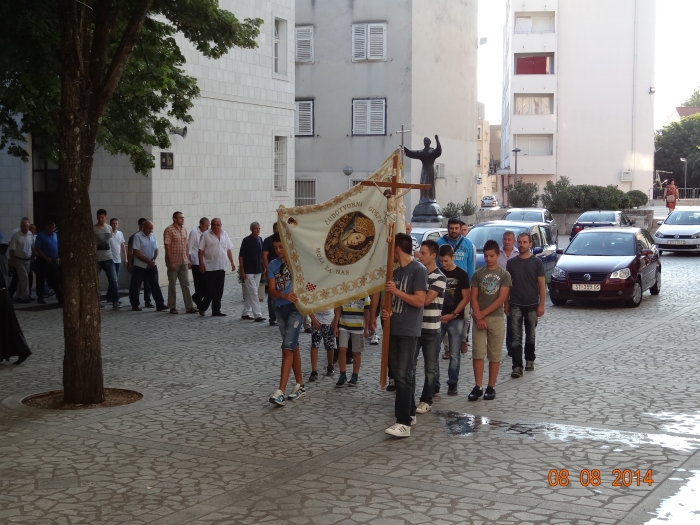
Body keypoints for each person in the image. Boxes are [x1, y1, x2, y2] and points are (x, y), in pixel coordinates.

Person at [382, 233, 428, 438]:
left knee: (403, 375)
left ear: (397, 249)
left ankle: (403, 422)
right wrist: (388, 313)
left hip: (409, 331)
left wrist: (396, 292)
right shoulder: (396, 272)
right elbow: (395, 302)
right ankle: (409, 412)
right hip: (395, 328)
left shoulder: (419, 270)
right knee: (399, 374)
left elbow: (419, 301)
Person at [468, 240, 511, 402]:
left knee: (494, 354)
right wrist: (478, 315)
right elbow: (473, 296)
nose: (488, 259)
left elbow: (501, 298)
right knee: (478, 352)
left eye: (491, 256)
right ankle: (478, 386)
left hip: (496, 318)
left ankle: (491, 386)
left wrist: (482, 314)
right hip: (479, 317)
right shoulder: (477, 274)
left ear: (498, 255)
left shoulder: (504, 275)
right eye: (486, 256)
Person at [267, 233, 306, 406]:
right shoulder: (273, 265)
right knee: (292, 346)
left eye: (281, 247)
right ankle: (300, 385)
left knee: (286, 348)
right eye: (275, 248)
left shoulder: (295, 262)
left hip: (296, 309)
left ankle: (280, 391)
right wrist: (284, 295)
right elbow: (271, 290)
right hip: (280, 308)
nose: (278, 250)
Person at [506, 232, 545, 378]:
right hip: (515, 303)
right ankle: (517, 366)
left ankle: (529, 359)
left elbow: (541, 285)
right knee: (515, 338)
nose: (521, 245)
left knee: (530, 336)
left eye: (524, 242)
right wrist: (505, 303)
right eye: (520, 242)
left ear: (530, 244)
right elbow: (507, 285)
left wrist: (541, 305)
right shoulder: (511, 263)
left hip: (532, 304)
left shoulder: (537, 262)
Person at [414, 239, 446, 414]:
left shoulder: (440, 277)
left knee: (430, 367)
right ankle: (408, 398)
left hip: (431, 329)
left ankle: (426, 400)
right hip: (415, 327)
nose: (420, 255)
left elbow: (425, 300)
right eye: (420, 252)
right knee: (410, 365)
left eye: (423, 253)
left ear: (433, 255)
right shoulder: (418, 273)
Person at [438, 217, 476, 357]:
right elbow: (436, 264)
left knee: (465, 316)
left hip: (463, 284)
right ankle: (448, 347)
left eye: (456, 228)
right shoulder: (439, 243)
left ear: (461, 228)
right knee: (444, 316)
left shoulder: (468, 244)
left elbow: (471, 265)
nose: (454, 231)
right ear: (447, 228)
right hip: (444, 284)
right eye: (451, 228)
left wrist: (471, 284)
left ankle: (463, 340)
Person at [436, 244, 470, 396]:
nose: (443, 264)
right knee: (434, 351)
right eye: (441, 261)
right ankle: (434, 383)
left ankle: (453, 383)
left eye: (446, 261)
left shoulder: (461, 274)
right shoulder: (437, 273)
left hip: (456, 318)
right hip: (438, 317)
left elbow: (466, 297)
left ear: (453, 257)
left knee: (455, 354)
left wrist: (454, 314)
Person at [198, 218, 235, 317]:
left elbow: (228, 249)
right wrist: (201, 264)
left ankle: (216, 310)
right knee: (210, 290)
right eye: (214, 225)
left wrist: (232, 262)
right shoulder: (205, 235)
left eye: (218, 225)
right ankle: (203, 307)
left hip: (221, 266)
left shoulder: (224, 234)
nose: (216, 227)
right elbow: (200, 250)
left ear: (221, 225)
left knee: (219, 289)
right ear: (211, 225)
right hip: (210, 266)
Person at [129, 221, 167, 312]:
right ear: (144, 227)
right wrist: (147, 261)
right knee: (136, 285)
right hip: (140, 265)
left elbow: (156, 249)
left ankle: (160, 304)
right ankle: (135, 304)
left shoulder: (153, 236)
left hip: (151, 264)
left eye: (152, 228)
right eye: (149, 228)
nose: (151, 230)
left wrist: (153, 260)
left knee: (154, 284)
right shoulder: (137, 236)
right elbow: (136, 252)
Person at [333, 295, 370, 387]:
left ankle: (355, 375)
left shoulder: (364, 295)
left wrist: (366, 328)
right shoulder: (343, 292)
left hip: (358, 327)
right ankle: (342, 374)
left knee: (356, 352)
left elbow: (366, 311)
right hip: (344, 325)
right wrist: (336, 325)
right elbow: (338, 309)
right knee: (342, 349)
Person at [164, 211, 197, 314]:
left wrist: (188, 259)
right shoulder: (169, 230)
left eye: (183, 217)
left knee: (186, 284)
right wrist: (171, 262)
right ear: (174, 219)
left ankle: (189, 307)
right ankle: (172, 306)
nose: (182, 219)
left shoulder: (184, 229)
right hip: (174, 261)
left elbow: (186, 245)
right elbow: (167, 247)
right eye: (180, 217)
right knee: (172, 285)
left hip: (183, 261)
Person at [94, 209, 121, 309]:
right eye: (99, 217)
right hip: (98, 258)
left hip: (108, 257)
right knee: (95, 280)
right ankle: (96, 301)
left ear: (105, 217)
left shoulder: (109, 228)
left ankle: (115, 301)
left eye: (102, 217)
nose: (100, 219)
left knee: (113, 279)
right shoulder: (94, 229)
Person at [498, 230, 519, 354]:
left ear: (514, 241)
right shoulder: (497, 253)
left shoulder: (518, 254)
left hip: (513, 289)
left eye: (509, 240)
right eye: (505, 239)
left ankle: (511, 346)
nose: (507, 242)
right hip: (498, 289)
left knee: (511, 317)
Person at [239, 221, 265, 322]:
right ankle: (258, 314)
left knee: (252, 292)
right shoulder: (246, 240)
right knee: (254, 292)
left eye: (259, 228)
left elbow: (262, 255)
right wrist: (242, 270)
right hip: (248, 270)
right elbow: (241, 256)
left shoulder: (260, 239)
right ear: (251, 229)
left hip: (258, 269)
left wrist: (264, 268)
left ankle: (245, 312)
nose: (257, 230)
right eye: (256, 228)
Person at [33, 221, 63, 305]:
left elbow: (55, 247)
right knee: (41, 279)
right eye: (50, 228)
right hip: (42, 261)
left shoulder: (55, 235)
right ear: (46, 227)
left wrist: (57, 257)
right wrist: (45, 257)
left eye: (53, 228)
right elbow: (37, 248)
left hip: (52, 260)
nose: (52, 230)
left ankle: (60, 297)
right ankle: (40, 297)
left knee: (56, 279)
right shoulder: (41, 235)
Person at [128, 218, 153, 307]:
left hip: (148, 264)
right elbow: (130, 250)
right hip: (138, 263)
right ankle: (134, 301)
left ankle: (148, 300)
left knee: (147, 283)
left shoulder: (151, 236)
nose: (144, 227)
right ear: (139, 225)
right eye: (142, 225)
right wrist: (129, 262)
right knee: (136, 283)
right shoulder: (134, 237)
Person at [9, 219, 34, 303]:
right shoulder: (16, 235)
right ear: (21, 226)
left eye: (27, 227)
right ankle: (25, 297)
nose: (26, 228)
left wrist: (33, 254)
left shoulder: (30, 234)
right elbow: (12, 249)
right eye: (24, 227)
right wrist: (12, 260)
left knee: (21, 279)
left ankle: (17, 296)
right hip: (18, 260)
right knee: (24, 277)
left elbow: (32, 246)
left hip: (28, 260)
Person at [308, 308, 336, 381]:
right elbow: (308, 305)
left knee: (330, 346)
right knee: (314, 345)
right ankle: (314, 371)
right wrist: (313, 318)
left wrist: (335, 319)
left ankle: (330, 365)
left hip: (329, 321)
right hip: (316, 321)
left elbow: (337, 306)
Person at [188, 217, 210, 310]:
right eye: (206, 226)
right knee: (199, 283)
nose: (207, 227)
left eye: (208, 226)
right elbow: (189, 247)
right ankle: (199, 303)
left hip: (205, 261)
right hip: (196, 261)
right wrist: (188, 260)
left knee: (206, 284)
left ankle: (195, 297)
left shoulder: (207, 233)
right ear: (201, 225)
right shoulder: (194, 233)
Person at [262, 222, 279, 326]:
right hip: (273, 270)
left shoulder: (286, 239)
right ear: (273, 229)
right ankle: (273, 318)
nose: (278, 230)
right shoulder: (268, 240)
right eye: (276, 228)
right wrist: (269, 270)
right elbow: (264, 256)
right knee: (272, 295)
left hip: (284, 271)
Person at [108, 218, 126, 306]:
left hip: (118, 259)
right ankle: (116, 298)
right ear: (110, 224)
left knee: (114, 279)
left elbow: (122, 246)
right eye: (113, 223)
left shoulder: (120, 233)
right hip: (110, 259)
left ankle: (109, 295)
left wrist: (125, 257)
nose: (115, 225)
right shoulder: (108, 234)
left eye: (116, 223)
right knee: (114, 280)